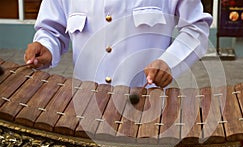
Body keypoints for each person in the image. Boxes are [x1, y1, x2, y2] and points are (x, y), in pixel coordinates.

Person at [25, 0, 212, 88]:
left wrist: (170, 62)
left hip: (147, 107)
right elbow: (52, 30)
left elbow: (196, 29)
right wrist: (46, 45)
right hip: (86, 107)